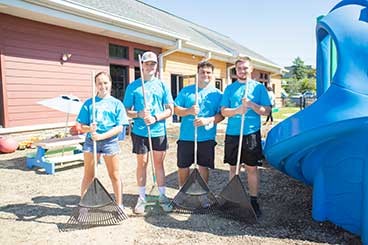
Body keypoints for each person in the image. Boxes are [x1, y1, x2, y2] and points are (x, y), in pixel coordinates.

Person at [123, 51, 174, 214]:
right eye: (147, 63)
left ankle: (162, 196)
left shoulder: (162, 85)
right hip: (140, 132)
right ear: (142, 65)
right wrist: (138, 114)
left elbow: (170, 110)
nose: (150, 66)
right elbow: (125, 111)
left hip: (158, 131)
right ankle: (142, 198)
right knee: (142, 164)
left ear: (156, 66)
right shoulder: (133, 86)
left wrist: (155, 117)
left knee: (158, 164)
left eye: (153, 63)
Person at [220, 57, 271, 218]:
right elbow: (223, 111)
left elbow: (267, 110)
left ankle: (253, 200)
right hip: (232, 133)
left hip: (251, 133)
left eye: (245, 68)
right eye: (239, 68)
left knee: (251, 168)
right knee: (233, 167)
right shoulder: (230, 89)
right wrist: (237, 110)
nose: (242, 71)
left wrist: (251, 105)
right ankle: (232, 198)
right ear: (236, 70)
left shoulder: (258, 89)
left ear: (251, 69)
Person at [77, 71, 129, 210]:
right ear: (95, 85)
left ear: (110, 84)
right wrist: (89, 128)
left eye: (105, 82)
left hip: (110, 142)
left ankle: (119, 205)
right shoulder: (89, 103)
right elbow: (81, 126)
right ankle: (84, 206)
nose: (103, 86)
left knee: (114, 175)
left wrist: (102, 136)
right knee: (89, 175)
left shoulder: (117, 104)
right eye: (99, 83)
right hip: (91, 141)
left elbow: (119, 128)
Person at [174, 61, 223, 188]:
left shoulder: (217, 94)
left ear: (212, 74)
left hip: (206, 137)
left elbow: (221, 115)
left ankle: (203, 194)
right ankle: (182, 192)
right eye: (202, 72)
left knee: (203, 167)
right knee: (183, 166)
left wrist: (208, 120)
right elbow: (176, 109)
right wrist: (189, 111)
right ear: (197, 73)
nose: (205, 75)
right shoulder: (187, 91)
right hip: (186, 136)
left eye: (208, 72)